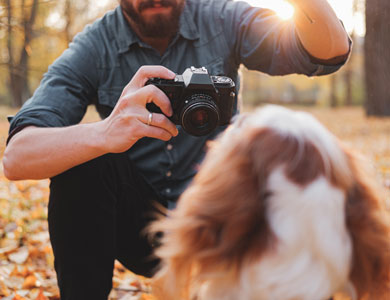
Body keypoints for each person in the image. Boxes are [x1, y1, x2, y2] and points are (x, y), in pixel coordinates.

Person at [3, 0, 351, 299]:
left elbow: (328, 51)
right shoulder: (96, 46)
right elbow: (17, 157)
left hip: (227, 220)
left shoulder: (221, 18)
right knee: (84, 159)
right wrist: (105, 133)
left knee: (292, 149)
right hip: (140, 230)